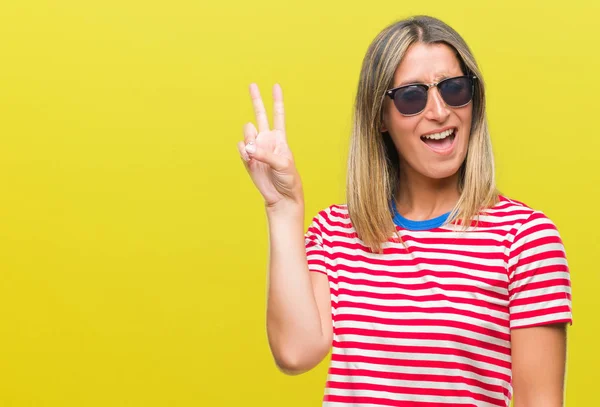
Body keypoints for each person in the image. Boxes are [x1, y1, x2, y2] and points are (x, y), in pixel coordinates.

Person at [237, 15, 573, 407]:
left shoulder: (524, 238)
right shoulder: (336, 231)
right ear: (380, 116)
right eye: (413, 96)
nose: (439, 111)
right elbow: (295, 353)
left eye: (454, 89)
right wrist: (283, 206)